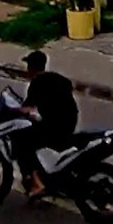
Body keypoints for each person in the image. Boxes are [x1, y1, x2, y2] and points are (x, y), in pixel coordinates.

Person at [14, 50, 79, 198]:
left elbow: (27, 108)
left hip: (54, 126)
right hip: (70, 122)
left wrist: (15, 110)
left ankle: (37, 184)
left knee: (24, 144)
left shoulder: (36, 83)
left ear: (31, 68)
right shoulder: (59, 79)